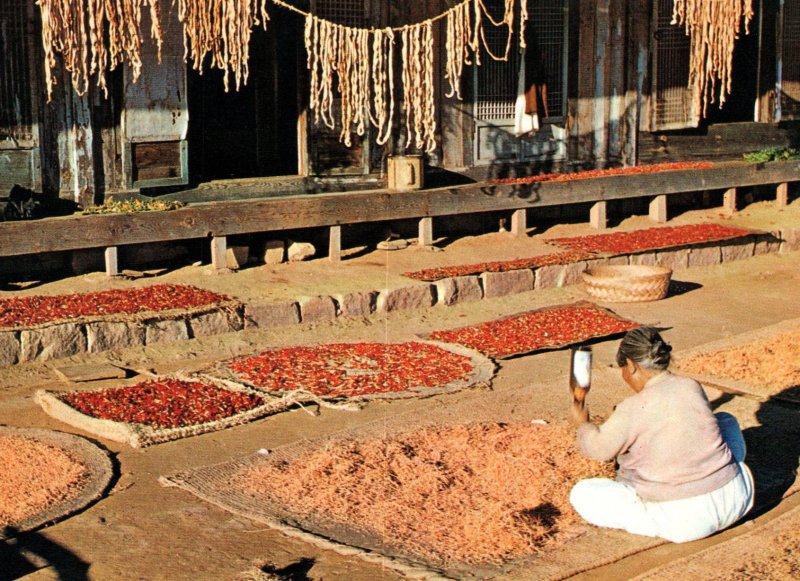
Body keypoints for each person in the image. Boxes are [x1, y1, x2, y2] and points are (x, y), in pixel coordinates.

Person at [569, 327, 754, 543]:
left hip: (686, 519)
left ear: (631, 365)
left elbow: (599, 450)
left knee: (582, 493)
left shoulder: (632, 406)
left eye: (624, 371)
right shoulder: (691, 385)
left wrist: (583, 424)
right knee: (726, 420)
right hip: (737, 496)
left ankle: (656, 515)